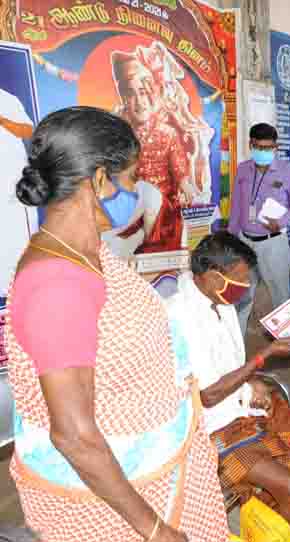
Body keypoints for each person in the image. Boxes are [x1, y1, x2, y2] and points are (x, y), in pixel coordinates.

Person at [6, 106, 228, 542]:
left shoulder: (86, 250)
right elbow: (74, 435)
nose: (138, 190)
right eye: (130, 179)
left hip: (157, 472)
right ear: (100, 180)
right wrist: (154, 529)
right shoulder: (56, 285)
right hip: (113, 510)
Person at [167, 232, 290, 540]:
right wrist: (262, 358)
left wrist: (252, 381)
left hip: (242, 405)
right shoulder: (178, 316)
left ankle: (268, 507)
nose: (245, 288)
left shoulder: (222, 304)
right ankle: (283, 505)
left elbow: (230, 365)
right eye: (240, 279)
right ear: (214, 277)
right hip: (209, 428)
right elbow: (207, 394)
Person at [112, 50, 192, 254]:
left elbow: (182, 178)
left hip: (162, 212)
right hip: (129, 209)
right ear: (123, 98)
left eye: (144, 93)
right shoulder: (119, 134)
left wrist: (190, 194)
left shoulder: (167, 134)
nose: (139, 102)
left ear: (153, 94)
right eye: (131, 94)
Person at [229, 123, 290, 332]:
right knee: (242, 296)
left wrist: (281, 222)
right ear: (250, 145)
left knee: (280, 297)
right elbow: (237, 205)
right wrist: (231, 240)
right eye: (258, 147)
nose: (263, 152)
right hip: (245, 242)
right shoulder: (243, 169)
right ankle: (238, 350)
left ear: (276, 147)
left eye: (268, 148)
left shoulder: (287, 170)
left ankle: (285, 342)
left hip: (273, 244)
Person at [0, 87, 34, 293]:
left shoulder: (7, 97)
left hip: (11, 182)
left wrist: (3, 121)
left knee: (15, 236)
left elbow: (27, 130)